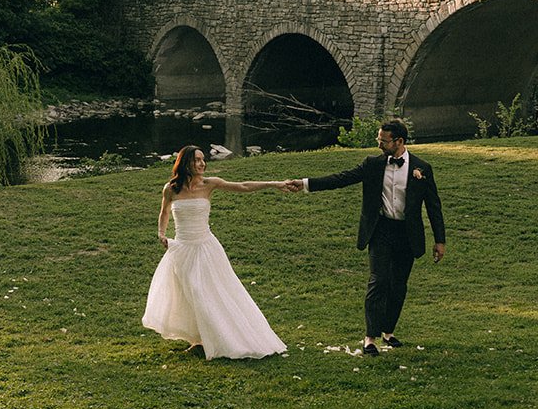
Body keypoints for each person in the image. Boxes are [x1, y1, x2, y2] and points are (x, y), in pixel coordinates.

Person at [288, 118, 446, 356]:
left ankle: (388, 332)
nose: (379, 144)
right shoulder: (372, 164)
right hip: (380, 230)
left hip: (407, 234)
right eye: (378, 139)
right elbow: (341, 178)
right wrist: (305, 184)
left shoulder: (422, 168)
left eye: (383, 141)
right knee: (379, 280)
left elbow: (434, 206)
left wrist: (440, 241)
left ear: (399, 141)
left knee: (398, 286)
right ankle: (370, 338)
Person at [143, 146, 290, 359]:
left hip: (206, 247)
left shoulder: (210, 184)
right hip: (182, 248)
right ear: (185, 163)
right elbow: (164, 212)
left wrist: (275, 184)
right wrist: (161, 233)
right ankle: (199, 338)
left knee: (201, 290)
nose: (202, 164)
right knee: (188, 293)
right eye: (197, 160)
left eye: (204, 160)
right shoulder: (171, 189)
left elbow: (243, 186)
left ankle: (219, 337)